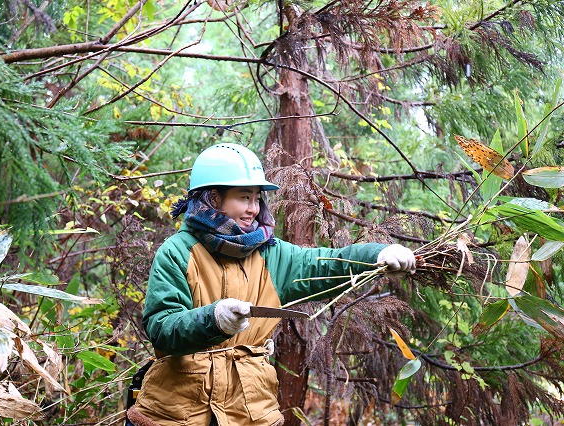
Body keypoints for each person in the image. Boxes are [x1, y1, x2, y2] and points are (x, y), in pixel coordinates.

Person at [127, 143, 416, 426]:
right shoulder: (177, 251)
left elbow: (326, 264)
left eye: (257, 198)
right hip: (176, 412)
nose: (253, 208)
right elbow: (161, 329)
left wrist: (376, 256)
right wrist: (212, 320)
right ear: (213, 199)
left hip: (249, 412)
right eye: (244, 197)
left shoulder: (270, 253)